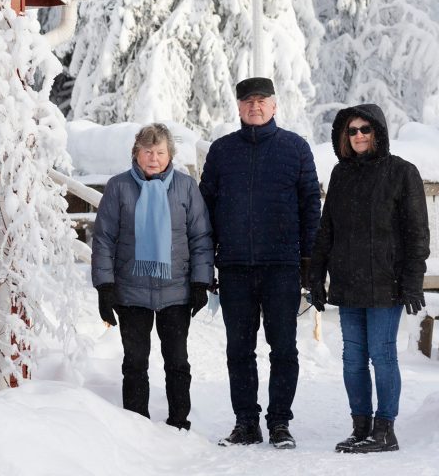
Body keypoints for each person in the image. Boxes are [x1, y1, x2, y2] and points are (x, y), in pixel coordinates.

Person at [199, 77, 321, 449]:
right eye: (248, 101)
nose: (255, 106)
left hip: (281, 267)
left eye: (262, 100)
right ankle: (246, 422)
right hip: (234, 267)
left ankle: (280, 422)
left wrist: (309, 265)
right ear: (238, 107)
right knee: (239, 349)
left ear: (274, 105)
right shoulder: (221, 151)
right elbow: (205, 210)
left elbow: (310, 207)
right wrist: (208, 263)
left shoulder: (295, 148)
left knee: (283, 348)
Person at [308, 104, 429, 453]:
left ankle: (384, 430)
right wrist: (316, 277)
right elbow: (326, 230)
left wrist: (412, 280)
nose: (359, 135)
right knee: (352, 357)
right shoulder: (341, 174)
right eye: (352, 131)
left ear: (378, 131)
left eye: (365, 129)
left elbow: (417, 232)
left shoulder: (402, 173)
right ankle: (360, 426)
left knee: (382, 354)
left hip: (385, 282)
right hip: (348, 282)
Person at [92, 123, 214, 431]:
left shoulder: (186, 187)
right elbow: (104, 239)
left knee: (177, 362)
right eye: (147, 151)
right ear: (136, 153)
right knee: (135, 363)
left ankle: (178, 422)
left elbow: (200, 237)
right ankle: (137, 424)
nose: (154, 158)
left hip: (176, 291)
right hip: (131, 292)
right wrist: (104, 287)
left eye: (160, 152)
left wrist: (201, 282)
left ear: (170, 154)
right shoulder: (118, 187)